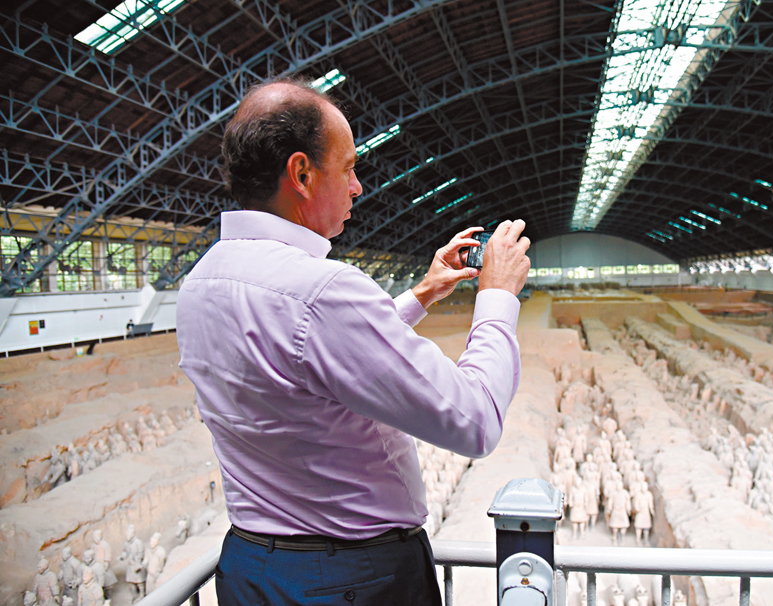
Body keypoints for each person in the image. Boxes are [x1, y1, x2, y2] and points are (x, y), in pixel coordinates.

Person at [176, 76, 530, 606]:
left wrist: (422, 294)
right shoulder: (323, 289)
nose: (358, 187)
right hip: (349, 579)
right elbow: (474, 421)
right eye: (348, 168)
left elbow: (305, 359)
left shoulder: (200, 283)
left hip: (251, 569)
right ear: (301, 174)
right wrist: (498, 295)